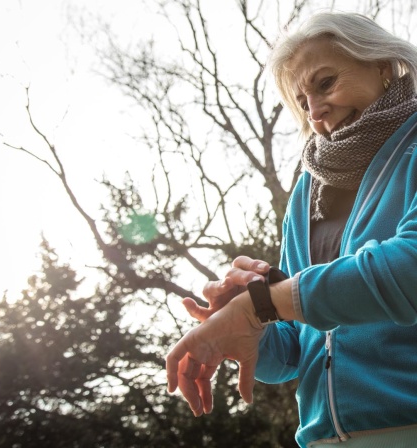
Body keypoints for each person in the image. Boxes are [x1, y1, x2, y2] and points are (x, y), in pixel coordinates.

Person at [165, 11, 417, 448]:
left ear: (381, 64)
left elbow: (408, 273)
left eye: (325, 83)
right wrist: (250, 321)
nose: (315, 110)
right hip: (320, 440)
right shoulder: (306, 192)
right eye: (302, 101)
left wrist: (266, 301)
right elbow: (291, 355)